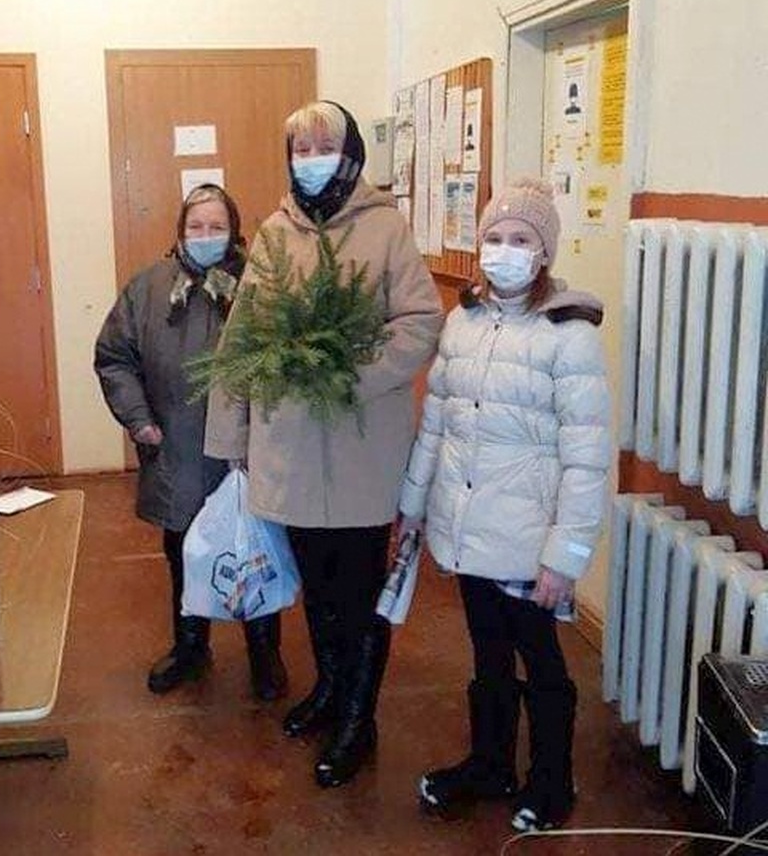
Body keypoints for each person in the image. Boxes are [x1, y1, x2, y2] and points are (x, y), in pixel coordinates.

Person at [205, 101, 444, 787]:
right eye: (300, 148)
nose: (310, 158)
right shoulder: (275, 233)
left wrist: (350, 374)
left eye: (323, 146)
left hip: (363, 448)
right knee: (315, 584)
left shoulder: (385, 227)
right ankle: (331, 690)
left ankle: (358, 720)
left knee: (360, 589)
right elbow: (243, 336)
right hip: (290, 448)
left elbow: (421, 321)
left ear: (350, 153)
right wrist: (232, 435)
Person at [398, 177, 612, 831]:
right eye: (494, 237)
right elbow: (436, 424)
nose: (504, 250)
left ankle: (552, 782)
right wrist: (413, 506)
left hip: (528, 538)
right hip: (468, 528)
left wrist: (565, 554)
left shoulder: (568, 335)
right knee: (487, 652)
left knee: (540, 658)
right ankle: (490, 764)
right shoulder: (461, 321)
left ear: (543, 252)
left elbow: (587, 457)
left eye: (520, 239)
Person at [94, 183, 288, 702]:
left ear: (234, 231)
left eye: (217, 226)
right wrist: (139, 420)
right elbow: (114, 357)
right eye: (195, 226)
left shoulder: (260, 284)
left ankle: (264, 652)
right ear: (180, 231)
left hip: (246, 451)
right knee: (183, 548)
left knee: (254, 547)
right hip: (175, 446)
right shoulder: (149, 287)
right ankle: (190, 647)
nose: (206, 235)